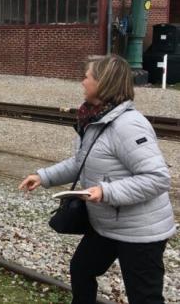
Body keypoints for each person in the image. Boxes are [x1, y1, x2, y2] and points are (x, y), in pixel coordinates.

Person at [19, 54, 175, 304]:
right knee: (81, 269)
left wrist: (106, 191)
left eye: (87, 77)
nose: (82, 82)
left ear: (104, 83)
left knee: (144, 297)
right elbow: (81, 162)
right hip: (108, 225)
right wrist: (43, 176)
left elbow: (157, 179)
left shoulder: (128, 126)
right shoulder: (95, 119)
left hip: (140, 232)